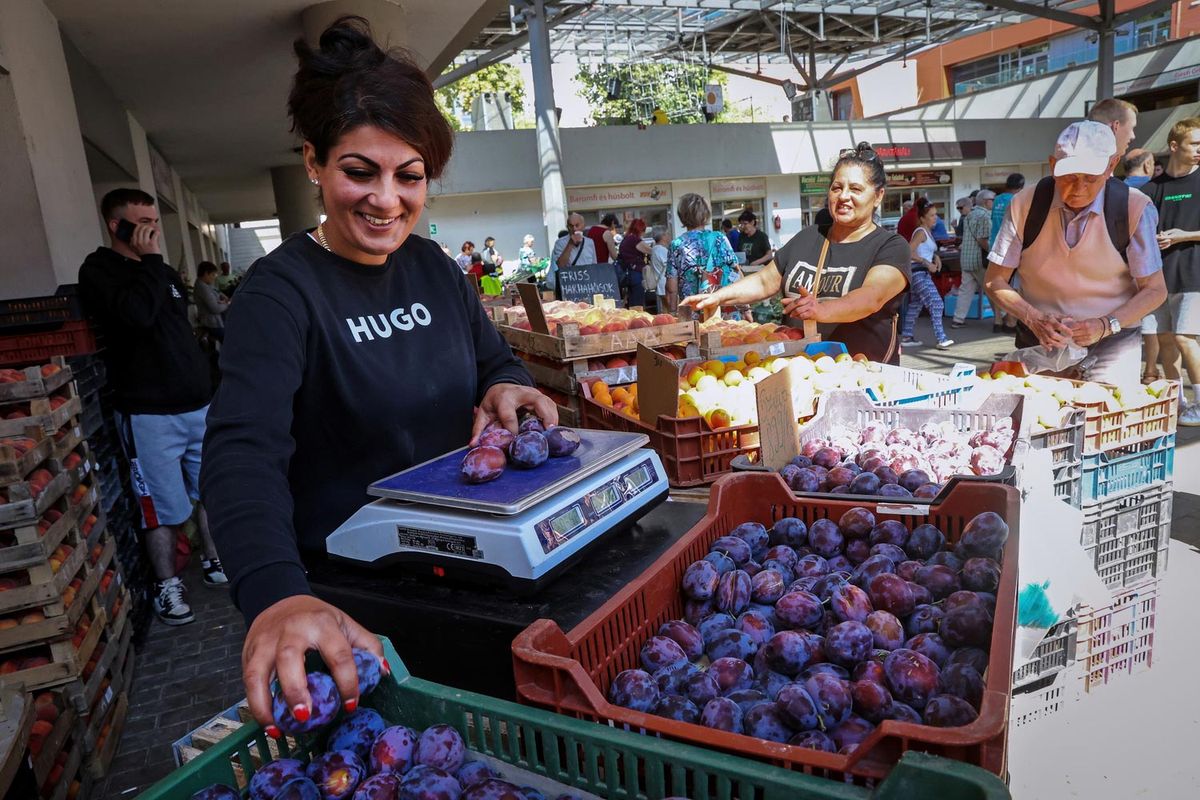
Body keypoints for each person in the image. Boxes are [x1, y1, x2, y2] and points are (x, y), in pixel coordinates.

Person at [200, 16, 553, 734]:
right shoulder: (280, 294)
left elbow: (490, 359)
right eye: (360, 172)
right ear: (314, 163)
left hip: (465, 575)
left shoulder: (434, 270)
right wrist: (275, 596)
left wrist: (506, 383)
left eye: (409, 176)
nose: (386, 200)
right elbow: (243, 452)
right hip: (350, 611)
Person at [79, 188, 227, 628]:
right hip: (148, 414)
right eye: (139, 221)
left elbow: (175, 326)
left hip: (196, 405)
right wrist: (147, 262)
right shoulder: (101, 270)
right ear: (115, 224)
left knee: (212, 491)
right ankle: (167, 585)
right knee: (160, 507)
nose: (150, 229)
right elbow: (137, 317)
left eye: (154, 221)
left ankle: (215, 559)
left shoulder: (159, 270)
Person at [681, 144, 910, 363]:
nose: (843, 196)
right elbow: (764, 282)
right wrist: (718, 296)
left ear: (878, 196)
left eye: (856, 189)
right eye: (837, 187)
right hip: (800, 371)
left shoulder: (890, 246)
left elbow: (871, 297)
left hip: (861, 374)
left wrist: (820, 309)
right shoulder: (809, 237)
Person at [985, 121, 1166, 386]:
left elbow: (1154, 290)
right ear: (1052, 164)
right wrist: (1033, 318)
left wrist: (1105, 325)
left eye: (1090, 178)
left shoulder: (1134, 206)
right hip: (1041, 337)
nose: (1078, 187)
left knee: (1105, 414)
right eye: (1068, 176)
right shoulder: (1025, 204)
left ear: (1111, 166)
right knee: (1044, 418)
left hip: (1113, 340)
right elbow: (994, 281)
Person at [1142, 117, 1200, 421]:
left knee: (1184, 337)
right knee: (1163, 338)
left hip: (1193, 273)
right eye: (1195, 143)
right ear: (1174, 146)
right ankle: (1176, 401)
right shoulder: (1152, 189)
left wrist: (1184, 235)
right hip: (1158, 276)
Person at [666, 194, 741, 318]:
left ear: (682, 215)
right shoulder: (719, 238)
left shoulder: (677, 245)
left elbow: (671, 288)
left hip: (693, 314)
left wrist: (673, 313)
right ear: (706, 214)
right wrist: (746, 308)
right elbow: (736, 271)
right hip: (724, 311)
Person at [900, 199, 954, 349]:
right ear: (923, 218)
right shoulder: (921, 232)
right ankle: (941, 338)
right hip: (918, 272)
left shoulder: (926, 232)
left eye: (936, 215)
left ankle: (907, 336)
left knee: (915, 305)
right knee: (936, 303)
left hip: (919, 273)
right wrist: (926, 262)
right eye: (931, 215)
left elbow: (924, 250)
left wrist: (935, 257)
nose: (935, 218)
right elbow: (908, 251)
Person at [952, 190, 993, 329]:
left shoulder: (969, 216)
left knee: (965, 290)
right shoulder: (985, 216)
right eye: (992, 199)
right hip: (979, 260)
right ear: (986, 201)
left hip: (966, 258)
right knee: (992, 290)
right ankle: (1002, 317)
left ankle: (958, 319)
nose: (994, 202)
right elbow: (983, 239)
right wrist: (992, 252)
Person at [991, 173, 1025, 333]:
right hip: (1011, 248)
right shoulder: (1017, 200)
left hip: (995, 246)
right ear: (1021, 187)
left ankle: (998, 320)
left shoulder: (997, 200)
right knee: (1013, 288)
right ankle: (1011, 322)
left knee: (996, 285)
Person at [616, 218, 652, 308]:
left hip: (628, 274)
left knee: (632, 303)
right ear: (640, 229)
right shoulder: (634, 240)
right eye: (643, 230)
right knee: (638, 304)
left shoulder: (626, 239)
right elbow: (651, 251)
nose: (644, 233)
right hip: (636, 275)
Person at [194, 261, 230, 343]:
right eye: (213, 275)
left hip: (216, 321)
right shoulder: (202, 287)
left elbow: (216, 292)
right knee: (229, 343)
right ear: (206, 273)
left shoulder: (206, 284)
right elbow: (215, 308)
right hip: (213, 324)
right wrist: (227, 304)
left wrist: (223, 299)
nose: (214, 277)